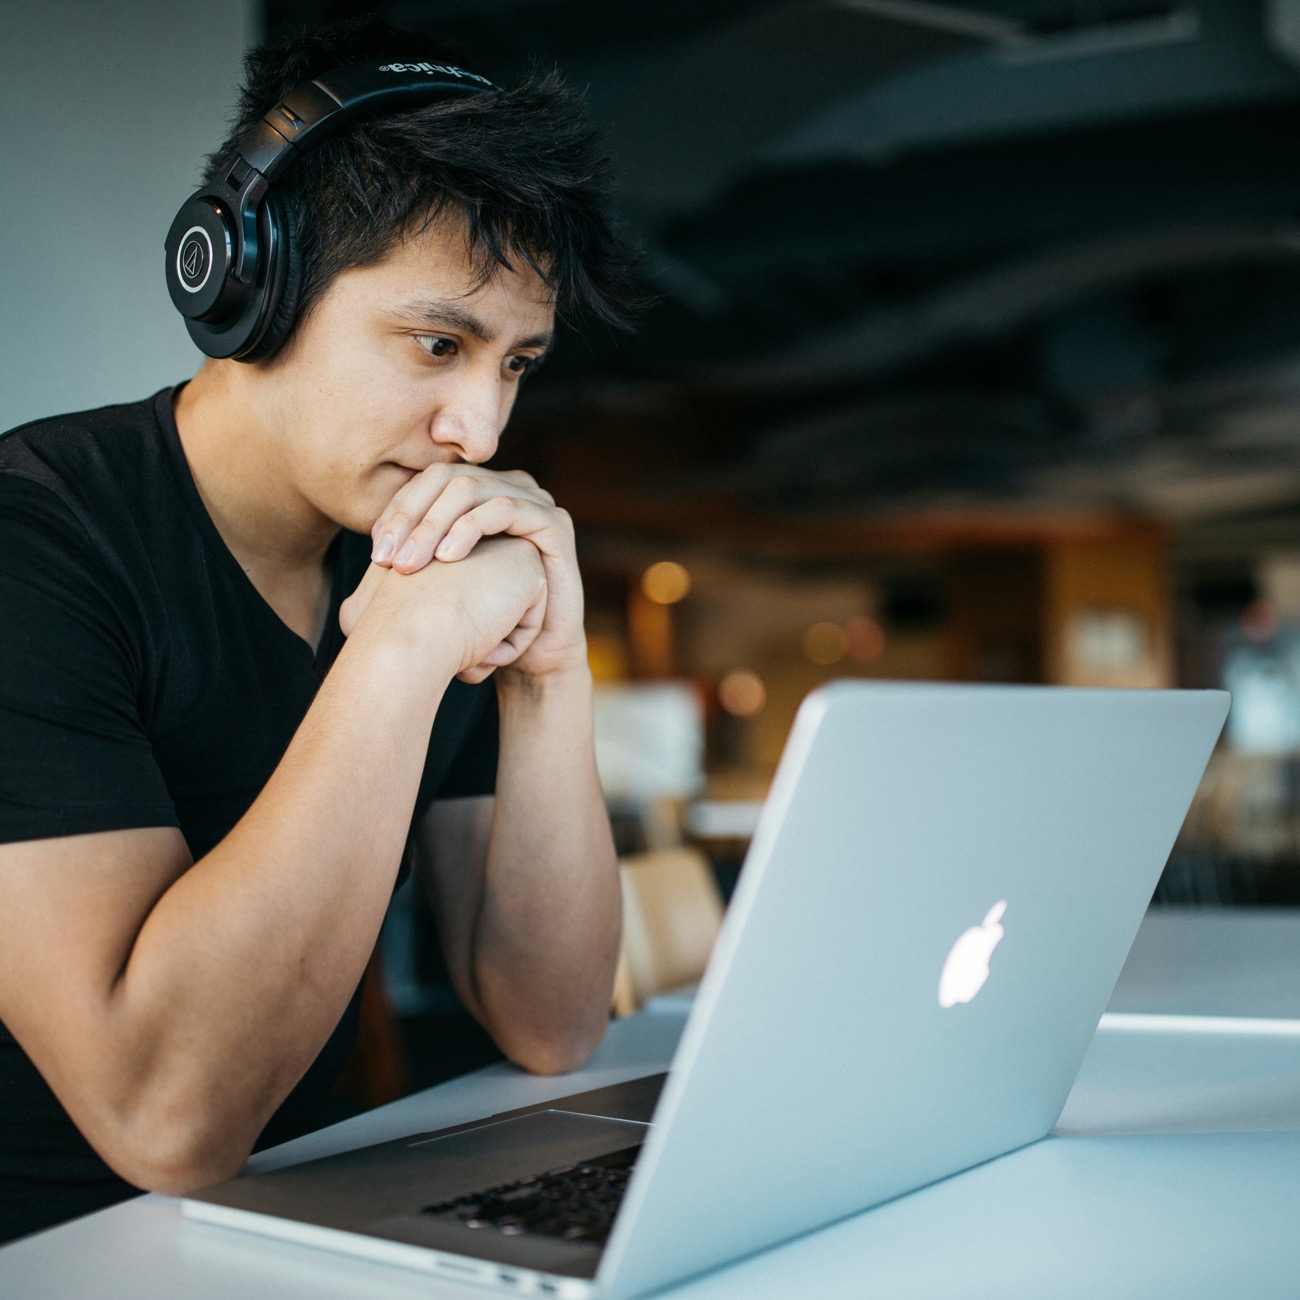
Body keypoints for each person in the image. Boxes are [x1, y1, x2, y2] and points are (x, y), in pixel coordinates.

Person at [0, 17, 638, 1245]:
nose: (480, 429)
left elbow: (550, 1021)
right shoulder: (39, 549)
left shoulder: (414, 549)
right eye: (439, 343)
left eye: (516, 365)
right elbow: (163, 1122)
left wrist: (549, 676)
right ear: (251, 285)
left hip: (302, 1225)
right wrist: (397, 650)